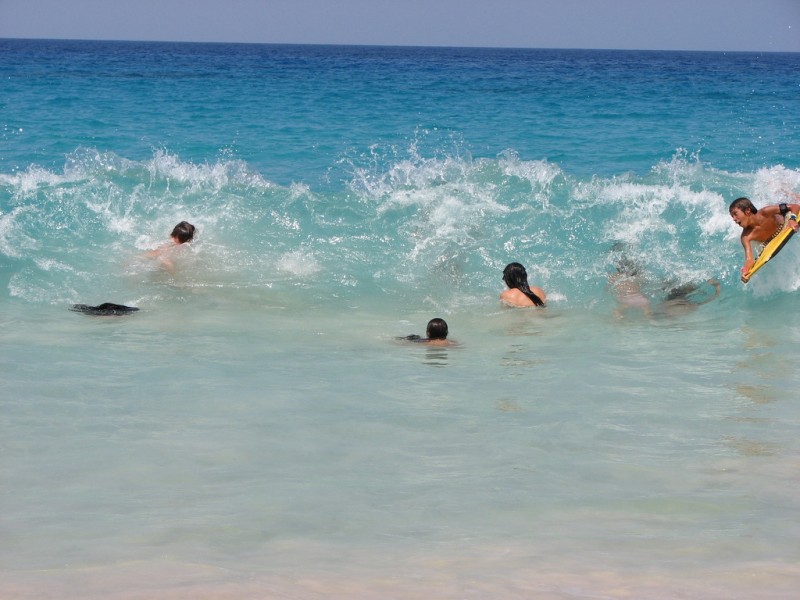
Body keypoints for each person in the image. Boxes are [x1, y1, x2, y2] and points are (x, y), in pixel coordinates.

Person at [729, 196, 799, 281]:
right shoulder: (746, 237)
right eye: (732, 216)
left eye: (735, 214)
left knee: (794, 199)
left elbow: (795, 206)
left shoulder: (766, 212)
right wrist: (746, 271)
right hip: (771, 241)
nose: (734, 219)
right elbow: (749, 259)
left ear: (747, 211)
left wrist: (792, 219)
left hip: (785, 219)